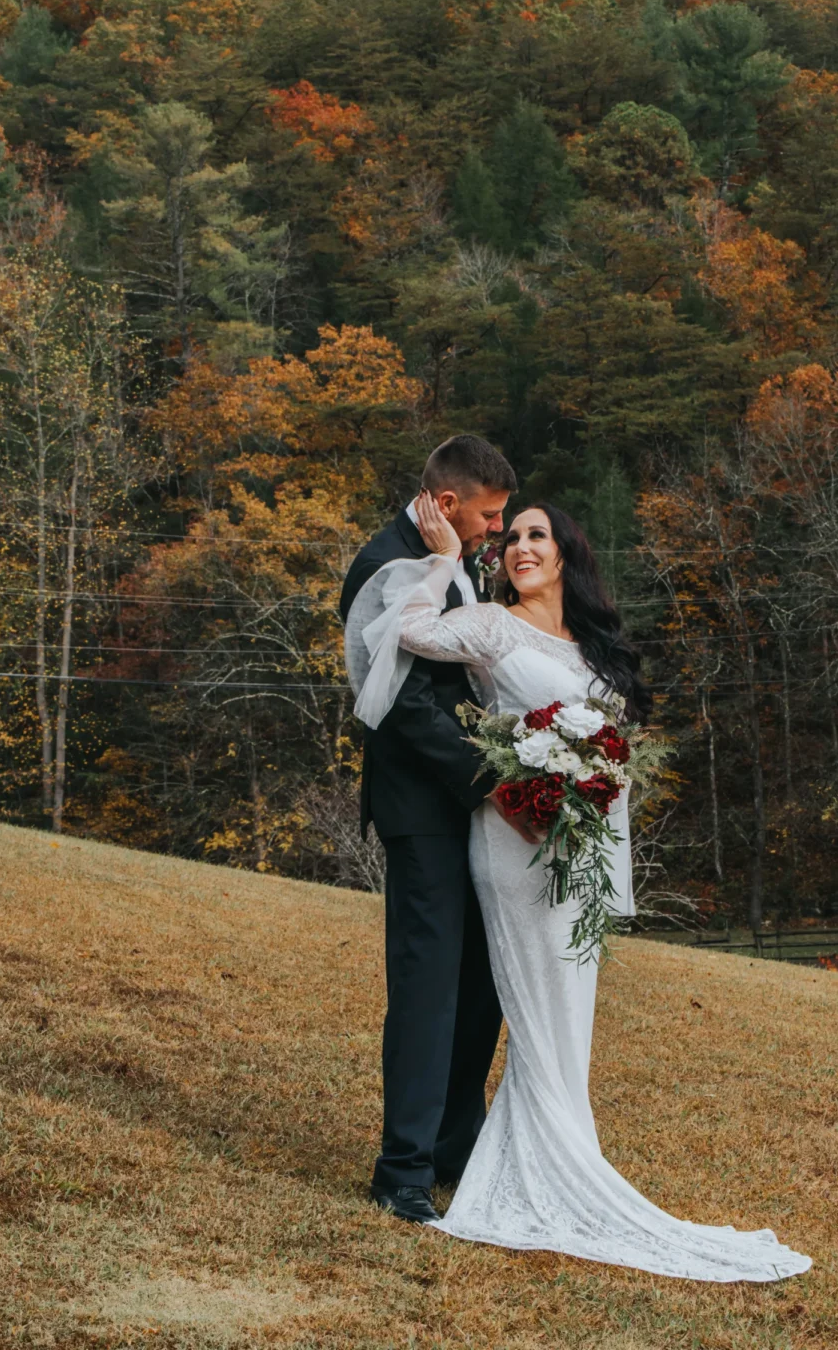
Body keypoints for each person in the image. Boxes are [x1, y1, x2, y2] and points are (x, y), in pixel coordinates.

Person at [345, 494, 812, 1281]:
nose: (519, 547)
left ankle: (564, 1156)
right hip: (514, 844)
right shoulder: (491, 626)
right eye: (512, 536)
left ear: (566, 554)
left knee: (568, 1012)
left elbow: (614, 760)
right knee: (532, 1010)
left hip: (578, 853)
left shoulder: (596, 653)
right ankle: (540, 1169)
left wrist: (598, 829)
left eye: (537, 535)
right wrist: (442, 562)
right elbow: (406, 633)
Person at [339, 435, 517, 1225]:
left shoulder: (456, 557)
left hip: (479, 811)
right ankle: (402, 1168)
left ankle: (456, 1144)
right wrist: (498, 777)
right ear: (448, 506)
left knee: (483, 983)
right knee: (427, 990)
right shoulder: (385, 566)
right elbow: (405, 708)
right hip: (424, 811)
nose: (496, 532)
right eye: (488, 515)